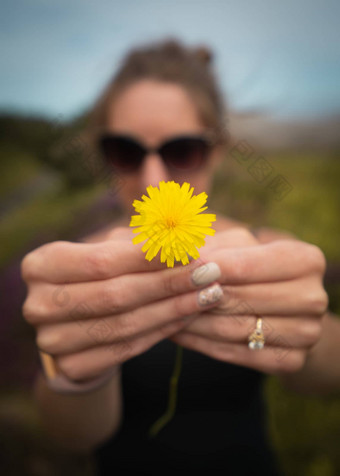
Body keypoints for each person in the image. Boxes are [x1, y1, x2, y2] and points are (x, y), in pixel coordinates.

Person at [20, 38, 340, 476]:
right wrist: (78, 374)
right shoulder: (79, 269)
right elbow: (73, 435)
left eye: (182, 150)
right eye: (125, 151)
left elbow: (324, 380)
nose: (153, 179)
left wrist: (308, 333)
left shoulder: (267, 250)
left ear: (218, 151)